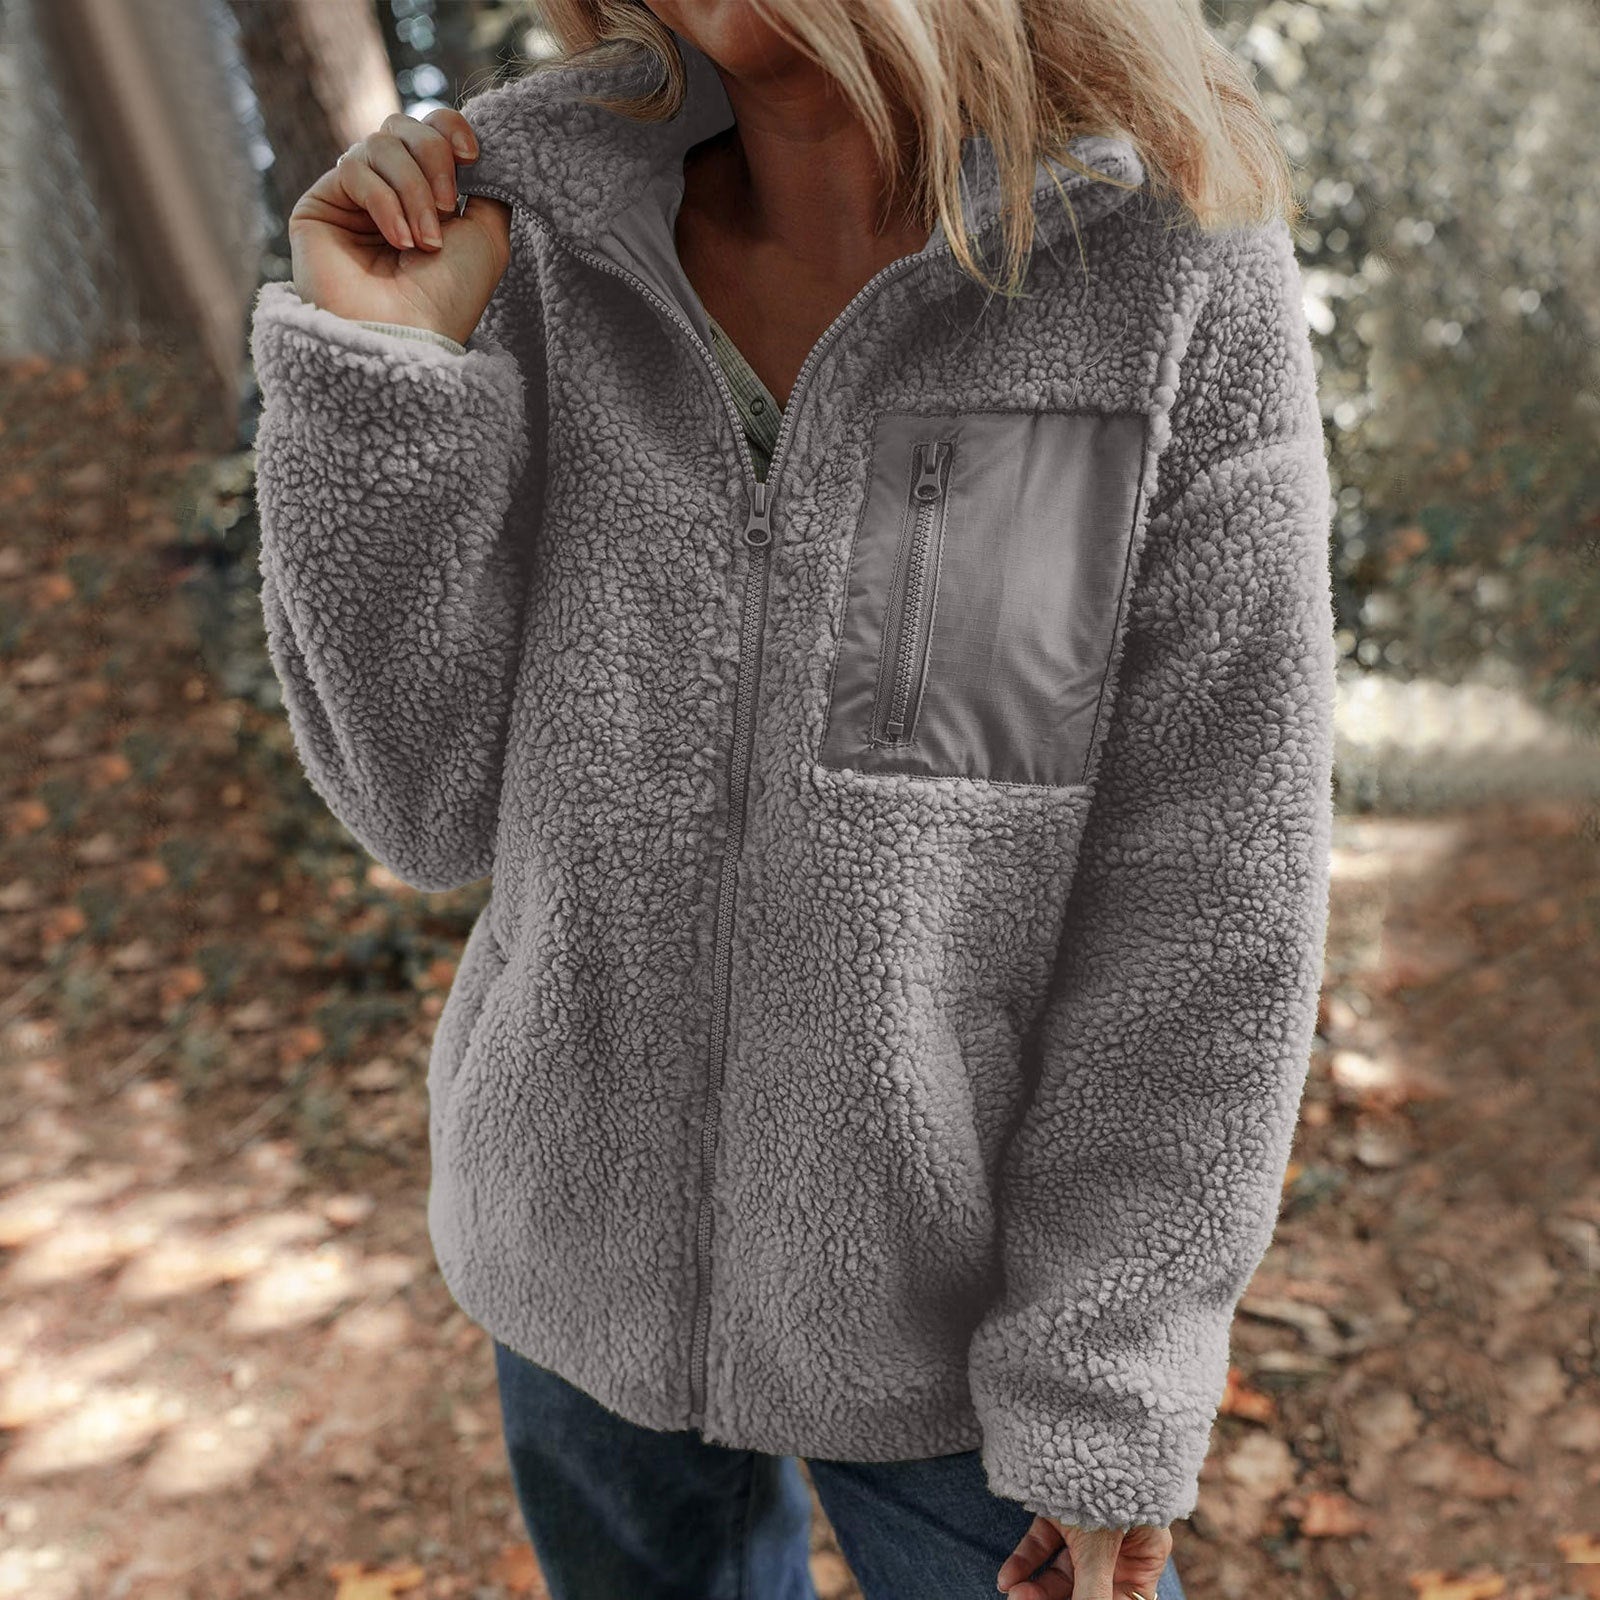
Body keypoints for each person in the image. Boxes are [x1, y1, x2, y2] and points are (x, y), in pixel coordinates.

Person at [251, 1, 1335, 1596]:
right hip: (573, 1272)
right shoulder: (533, 225)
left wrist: (1103, 1387)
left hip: (963, 1344)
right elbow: (415, 810)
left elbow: (1210, 906)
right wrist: (390, 367)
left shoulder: (1157, 261)